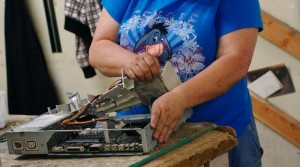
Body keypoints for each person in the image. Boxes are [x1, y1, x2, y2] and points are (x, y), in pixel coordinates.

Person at [89, 0, 264, 166]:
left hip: (217, 133)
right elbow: (98, 48)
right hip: (136, 134)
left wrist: (181, 97)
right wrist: (130, 62)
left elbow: (236, 60)